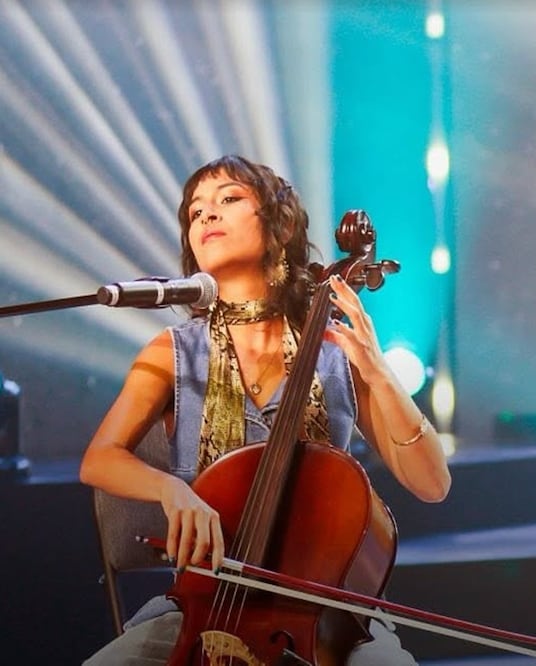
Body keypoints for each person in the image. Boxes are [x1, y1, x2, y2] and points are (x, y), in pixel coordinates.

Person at [79, 155, 451, 665]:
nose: (207, 215)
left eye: (229, 199)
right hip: (204, 607)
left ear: (280, 226)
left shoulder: (334, 352)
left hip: (326, 618)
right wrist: (170, 488)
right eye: (195, 211)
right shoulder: (173, 352)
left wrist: (380, 373)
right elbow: (100, 458)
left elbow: (432, 485)